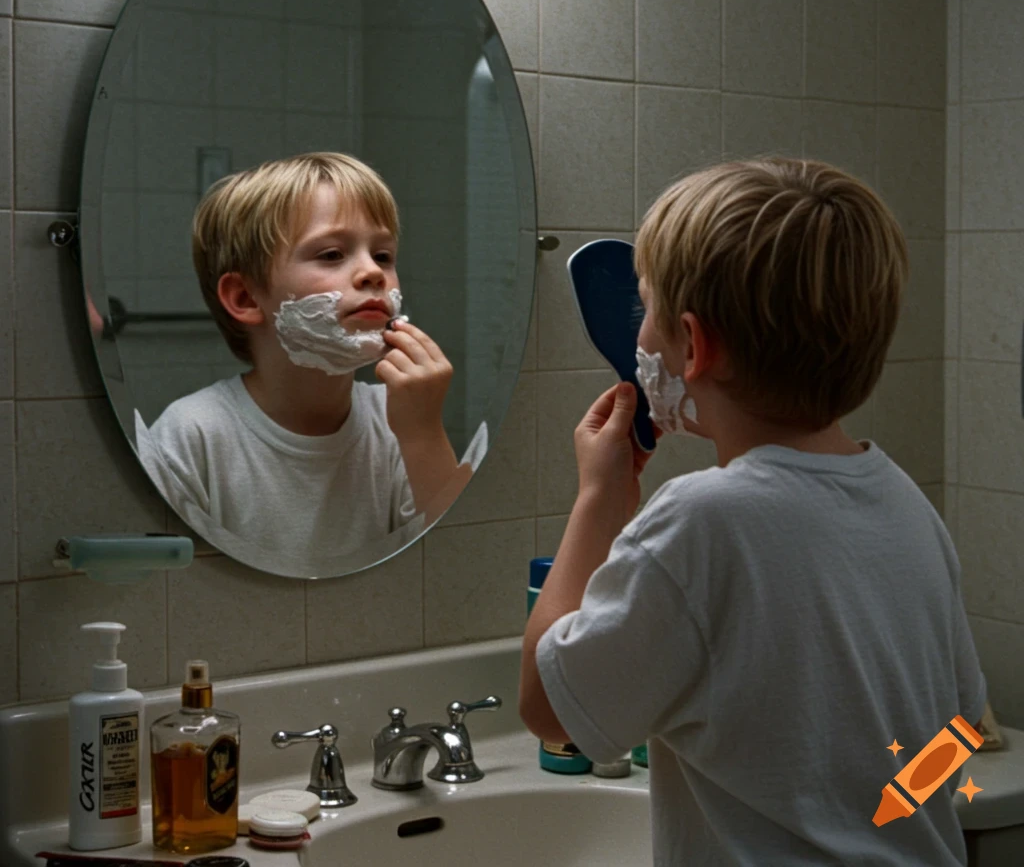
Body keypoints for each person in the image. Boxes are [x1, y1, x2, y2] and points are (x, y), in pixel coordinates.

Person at [519, 158, 986, 866]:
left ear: (695, 345)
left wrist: (599, 501)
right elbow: (958, 728)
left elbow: (554, 713)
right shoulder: (905, 504)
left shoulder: (704, 520)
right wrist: (868, 817)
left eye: (645, 312)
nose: (637, 337)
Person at [139, 151, 471, 568]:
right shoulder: (193, 435)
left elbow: (456, 567)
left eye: (383, 255)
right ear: (245, 298)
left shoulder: (398, 422)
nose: (373, 273)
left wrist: (423, 432)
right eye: (332, 254)